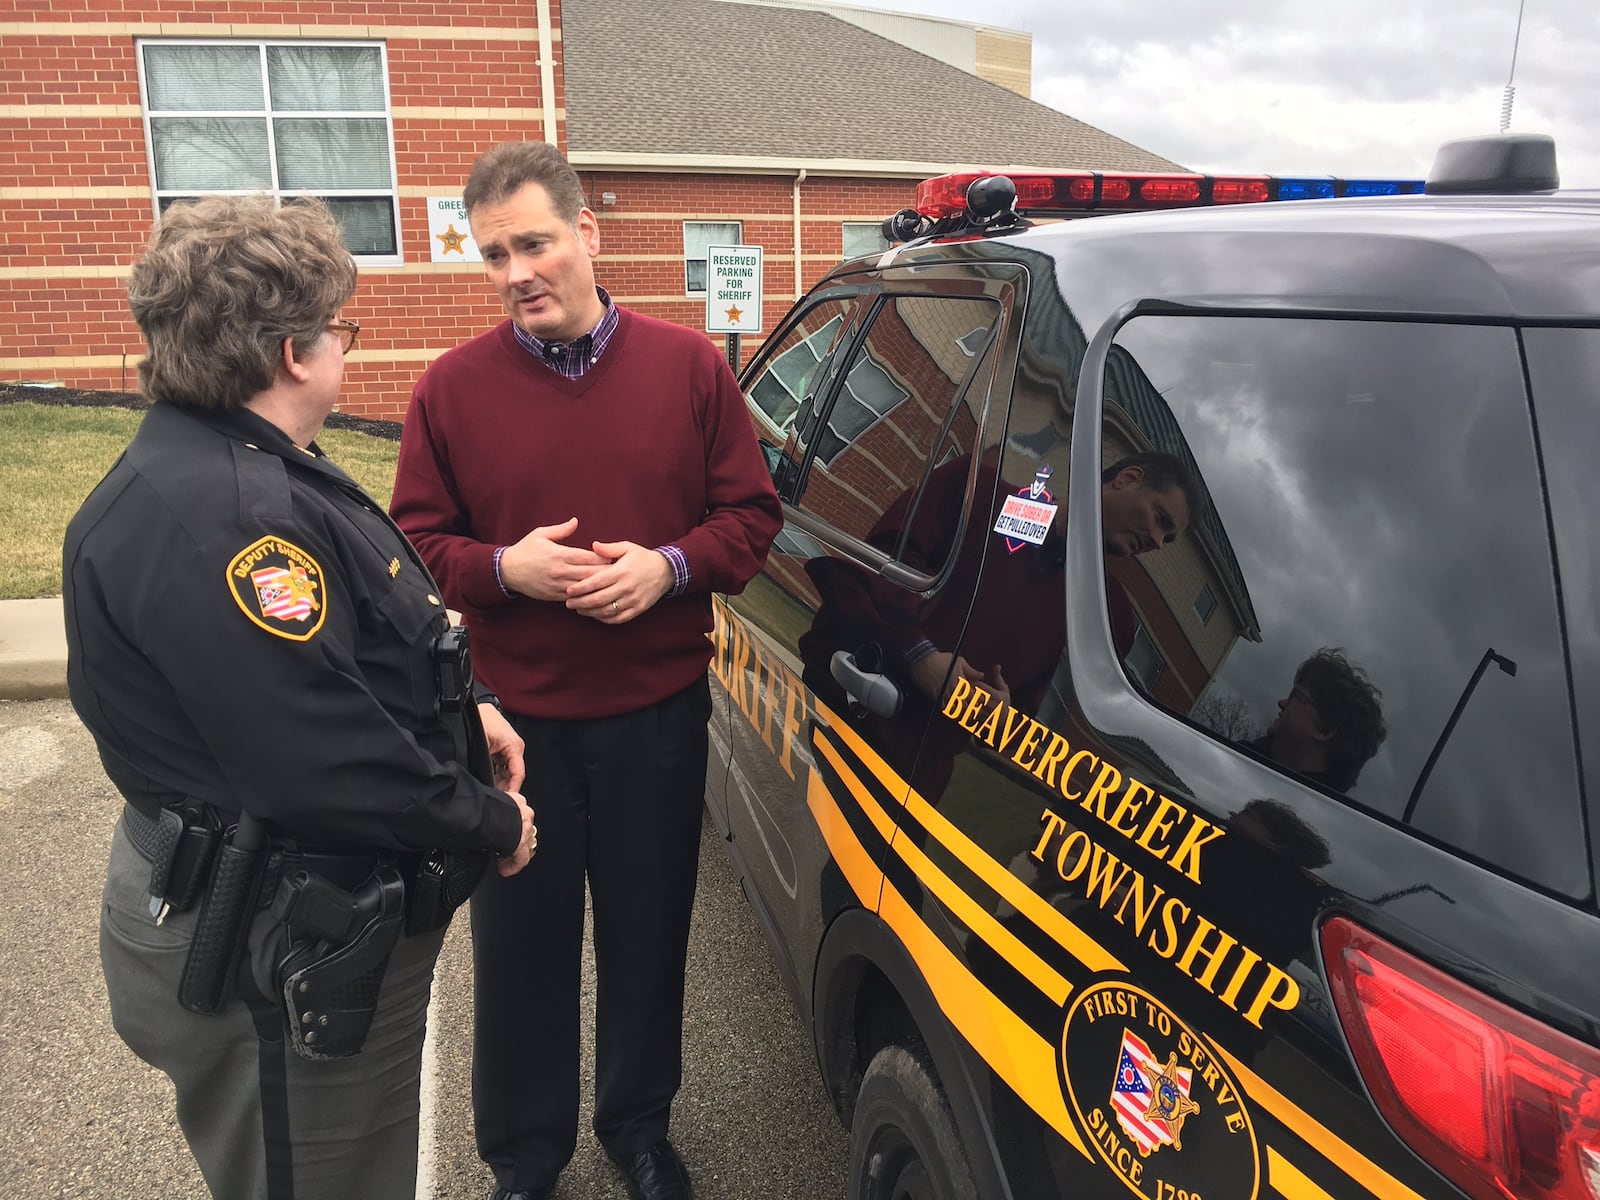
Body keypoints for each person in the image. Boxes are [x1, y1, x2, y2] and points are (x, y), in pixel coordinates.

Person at [63, 195, 537, 1200]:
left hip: (275, 904)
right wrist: (487, 819)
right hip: (279, 932)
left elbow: (369, 633)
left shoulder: (234, 462)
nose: (342, 350)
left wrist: (471, 706)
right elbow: (319, 755)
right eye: (338, 328)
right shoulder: (235, 522)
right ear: (290, 353)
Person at [389, 141, 782, 1200]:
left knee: (650, 936)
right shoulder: (450, 391)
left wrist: (670, 567)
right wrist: (503, 569)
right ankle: (525, 1156)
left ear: (587, 237)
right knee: (521, 950)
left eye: (533, 242)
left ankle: (638, 1129)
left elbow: (750, 518)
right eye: (492, 255)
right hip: (516, 726)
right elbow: (413, 546)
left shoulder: (688, 368)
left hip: (655, 713)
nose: (515, 271)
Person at [799, 450, 1198, 798]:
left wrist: (1000, 716)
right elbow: (872, 573)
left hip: (916, 777)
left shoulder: (1107, 613)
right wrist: (918, 656)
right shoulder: (979, 492)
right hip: (838, 710)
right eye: (1161, 519)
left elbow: (1031, 712)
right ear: (1128, 479)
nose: (1159, 542)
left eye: (1170, 538)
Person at [1248, 648, 1387, 791]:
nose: (1281, 703)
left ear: (1324, 730)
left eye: (1294, 696)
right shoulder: (1248, 760)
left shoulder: (1254, 782)